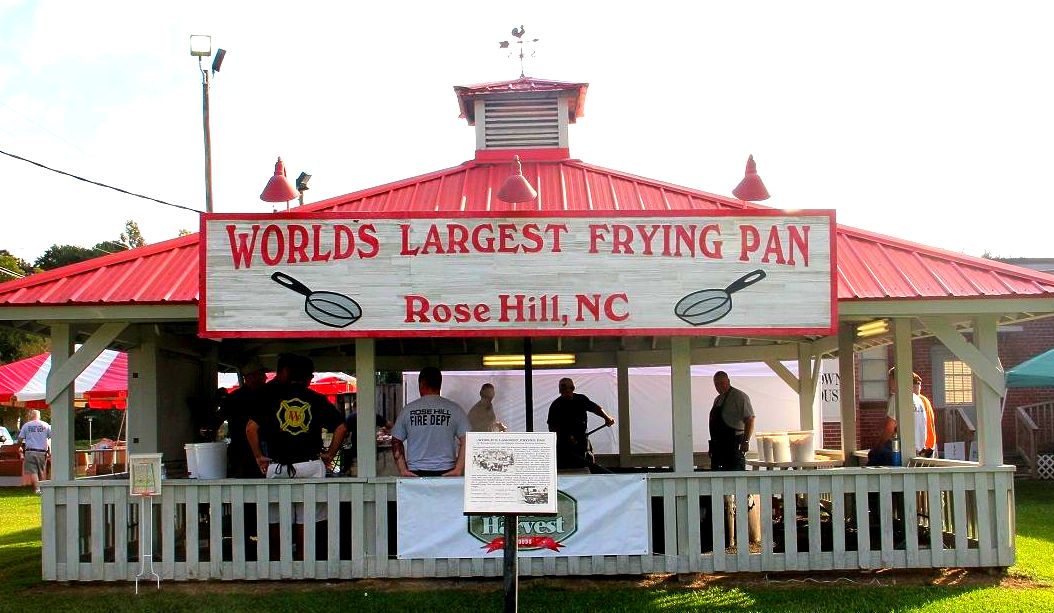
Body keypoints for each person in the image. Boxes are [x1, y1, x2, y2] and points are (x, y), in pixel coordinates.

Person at [247, 354, 346, 560]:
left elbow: (250, 428)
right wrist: (330, 454)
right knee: (307, 519)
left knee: (275, 519)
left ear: (287, 374)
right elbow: (341, 427)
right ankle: (304, 562)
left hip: (278, 465)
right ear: (309, 378)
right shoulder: (316, 399)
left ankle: (278, 563)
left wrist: (258, 456)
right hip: (309, 463)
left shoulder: (271, 398)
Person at [391, 367, 470, 477]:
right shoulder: (455, 409)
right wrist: (459, 468)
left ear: (421, 384)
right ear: (439, 384)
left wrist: (402, 469)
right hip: (447, 471)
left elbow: (396, 441)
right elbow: (468, 440)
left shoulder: (408, 410)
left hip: (416, 472)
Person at [870, 369, 938, 465]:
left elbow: (890, 428)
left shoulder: (897, 398)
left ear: (896, 380)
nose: (889, 384)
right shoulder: (919, 400)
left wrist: (876, 448)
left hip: (901, 452)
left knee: (872, 462)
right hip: (919, 451)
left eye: (890, 380)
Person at [546, 377, 615, 472]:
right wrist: (566, 438)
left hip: (583, 444)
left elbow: (595, 408)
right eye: (563, 389)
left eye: (568, 388)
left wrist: (607, 418)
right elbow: (552, 428)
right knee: (569, 471)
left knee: (587, 469)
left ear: (573, 388)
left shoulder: (581, 399)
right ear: (560, 391)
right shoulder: (556, 405)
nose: (566, 391)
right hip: (565, 449)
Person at [220, 357, 268, 478]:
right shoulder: (265, 398)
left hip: (243, 454)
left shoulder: (232, 398)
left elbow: (216, 420)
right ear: (250, 377)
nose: (265, 378)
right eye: (261, 374)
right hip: (249, 454)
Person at [709, 371, 755, 471]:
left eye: (722, 383)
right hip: (719, 446)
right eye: (716, 384)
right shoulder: (718, 399)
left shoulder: (739, 396)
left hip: (733, 444)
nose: (719, 386)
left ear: (728, 381)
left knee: (735, 476)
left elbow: (750, 419)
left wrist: (745, 441)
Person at [17, 409, 51, 494]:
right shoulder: (46, 425)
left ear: (31, 416)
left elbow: (20, 438)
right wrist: (49, 450)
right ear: (39, 416)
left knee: (33, 471)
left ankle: (37, 489)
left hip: (30, 451)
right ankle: (43, 489)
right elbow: (50, 437)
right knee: (41, 470)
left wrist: (19, 446)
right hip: (42, 451)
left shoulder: (26, 425)